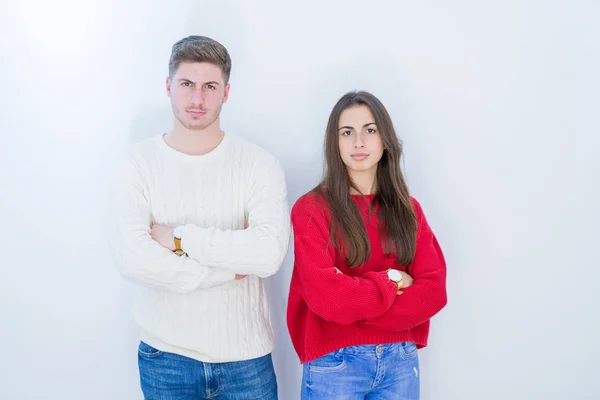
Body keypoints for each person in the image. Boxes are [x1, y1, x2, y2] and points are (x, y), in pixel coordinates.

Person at [110, 35, 290, 399]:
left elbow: (268, 254)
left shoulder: (259, 164)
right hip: (166, 358)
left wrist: (177, 239)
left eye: (210, 86)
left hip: (246, 359)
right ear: (168, 86)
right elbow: (133, 258)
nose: (197, 99)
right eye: (187, 84)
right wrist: (226, 270)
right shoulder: (137, 164)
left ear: (226, 92)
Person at [287, 90, 447, 399]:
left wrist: (354, 298)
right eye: (347, 132)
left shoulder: (408, 209)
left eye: (369, 130)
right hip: (335, 363)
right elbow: (326, 297)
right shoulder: (312, 209)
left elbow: (434, 290)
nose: (358, 142)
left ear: (384, 140)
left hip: (400, 362)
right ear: (335, 143)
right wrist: (394, 280)